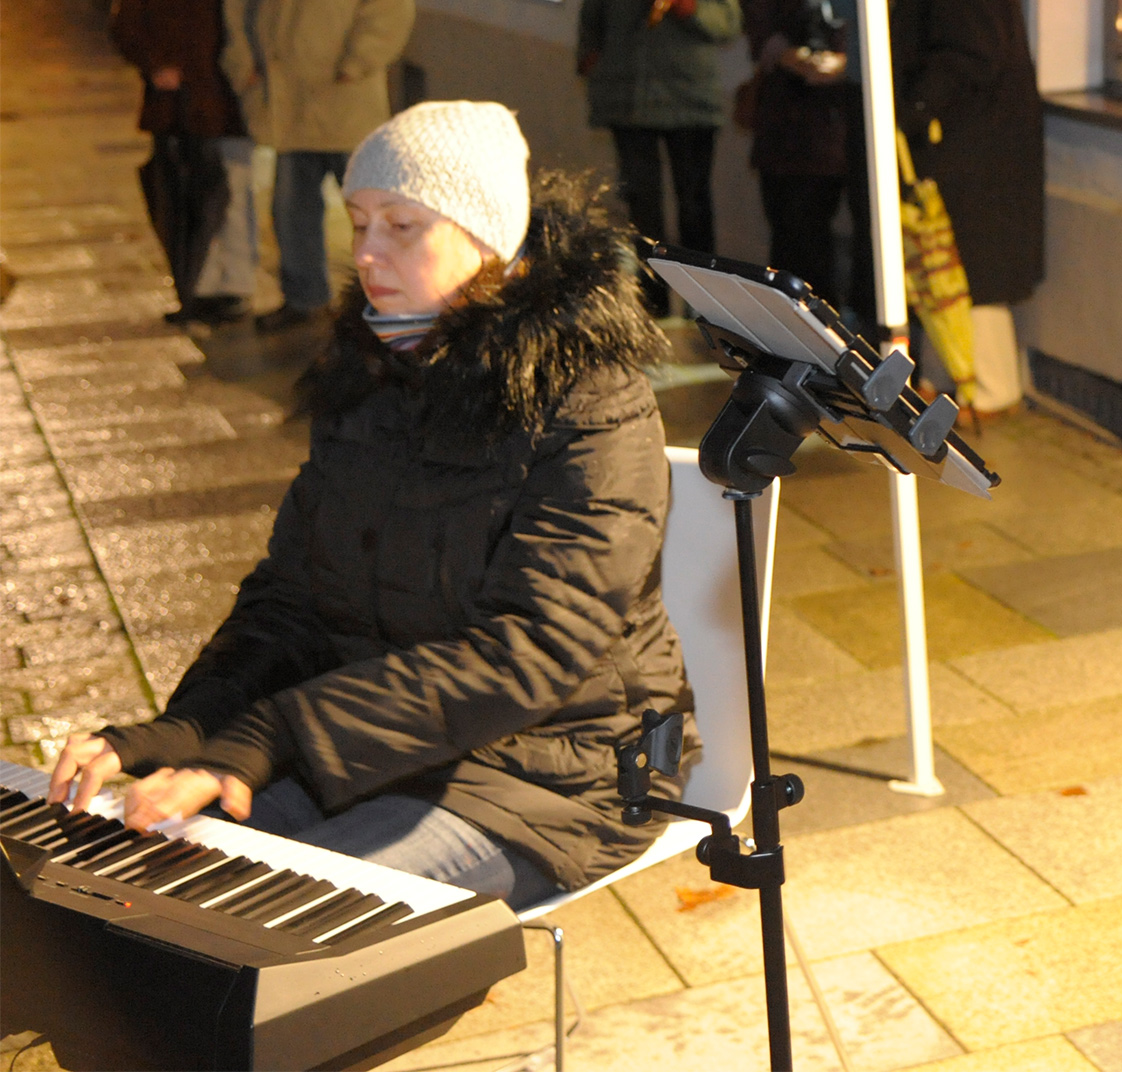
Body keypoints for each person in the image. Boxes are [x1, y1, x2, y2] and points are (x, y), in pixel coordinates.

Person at [47, 101, 693, 907]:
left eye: (402, 226)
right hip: (374, 743)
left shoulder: (591, 400)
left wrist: (272, 735)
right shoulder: (372, 377)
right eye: (358, 224)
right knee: (143, 878)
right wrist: (185, 732)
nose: (367, 253)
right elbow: (291, 602)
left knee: (269, 917)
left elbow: (532, 651)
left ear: (487, 240)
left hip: (556, 775)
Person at [223, 0, 416, 335]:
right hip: (287, 105)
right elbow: (237, 4)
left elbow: (389, 8)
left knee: (373, 210)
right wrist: (242, 63)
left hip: (346, 103)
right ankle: (304, 296)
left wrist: (357, 62)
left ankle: (392, 296)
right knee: (291, 212)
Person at [878, 0, 1044, 416]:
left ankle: (987, 389)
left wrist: (917, 108)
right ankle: (958, 382)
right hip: (972, 137)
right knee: (954, 263)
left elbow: (967, 51)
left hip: (969, 140)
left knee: (966, 265)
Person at [577, 0, 741, 311]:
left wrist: (685, 4)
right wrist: (590, 56)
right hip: (628, 97)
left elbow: (727, 22)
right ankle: (652, 300)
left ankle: (704, 303)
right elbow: (592, 13)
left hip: (688, 98)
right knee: (642, 208)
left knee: (693, 204)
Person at [111, 0, 254, 326]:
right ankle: (195, 285)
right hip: (172, 105)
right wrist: (155, 66)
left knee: (232, 191)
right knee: (180, 195)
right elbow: (125, 28)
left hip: (226, 98)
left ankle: (236, 284)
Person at [740, 0, 872, 322]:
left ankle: (823, 326)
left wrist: (844, 63)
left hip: (832, 127)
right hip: (784, 121)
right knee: (784, 228)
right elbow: (760, 17)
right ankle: (785, 323)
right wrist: (788, 55)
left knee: (817, 232)